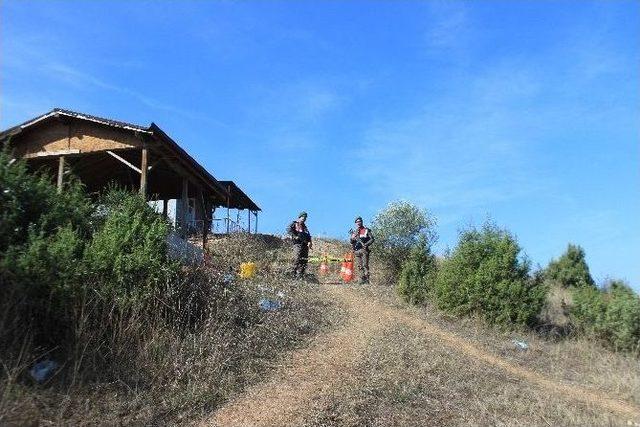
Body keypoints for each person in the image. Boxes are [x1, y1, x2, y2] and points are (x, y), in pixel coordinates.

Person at [350, 216, 374, 284]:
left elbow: (372, 239)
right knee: (360, 266)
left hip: (364, 250)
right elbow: (351, 242)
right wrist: (352, 238)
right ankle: (361, 280)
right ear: (355, 223)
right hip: (357, 251)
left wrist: (366, 244)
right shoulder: (355, 232)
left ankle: (367, 280)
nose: (358, 223)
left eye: (359, 221)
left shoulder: (366, 230)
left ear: (362, 222)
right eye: (357, 222)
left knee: (365, 265)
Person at [288, 211, 312, 279]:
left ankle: (301, 276)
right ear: (300, 217)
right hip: (297, 244)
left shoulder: (305, 227)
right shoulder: (294, 223)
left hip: (305, 245)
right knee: (297, 258)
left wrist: (310, 242)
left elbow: (309, 236)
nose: (304, 219)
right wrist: (295, 236)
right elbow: (288, 229)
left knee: (304, 261)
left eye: (305, 218)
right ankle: (293, 274)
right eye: (303, 217)